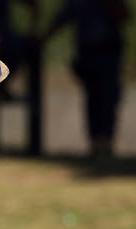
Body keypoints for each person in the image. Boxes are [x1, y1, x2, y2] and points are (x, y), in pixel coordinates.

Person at [43, 0, 131, 157]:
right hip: (87, 53)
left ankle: (106, 142)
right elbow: (61, 19)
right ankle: (96, 143)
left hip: (109, 53)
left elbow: (125, 15)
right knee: (92, 99)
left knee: (108, 98)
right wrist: (42, 38)